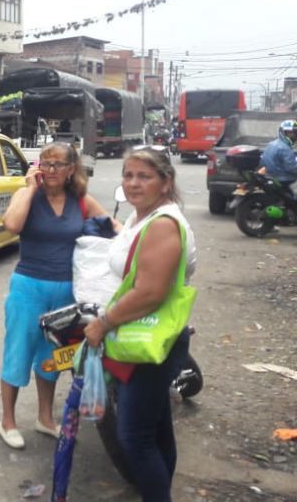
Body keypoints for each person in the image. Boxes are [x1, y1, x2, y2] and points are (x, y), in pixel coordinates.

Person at [83, 147, 196, 501]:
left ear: (166, 183)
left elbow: (150, 292)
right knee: (157, 426)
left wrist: (103, 323)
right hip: (142, 336)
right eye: (128, 175)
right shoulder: (141, 217)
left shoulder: (163, 225)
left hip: (147, 340)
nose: (133, 183)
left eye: (144, 176)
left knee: (135, 437)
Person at [0, 141, 112, 449]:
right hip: (28, 286)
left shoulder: (81, 200)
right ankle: (7, 421)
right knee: (18, 351)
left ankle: (45, 418)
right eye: (44, 163)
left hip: (66, 289)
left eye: (57, 164)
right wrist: (28, 188)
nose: (49, 169)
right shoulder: (29, 195)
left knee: (52, 357)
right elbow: (11, 224)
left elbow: (114, 228)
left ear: (71, 169)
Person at [259, 119, 297, 195]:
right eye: (290, 133)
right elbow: (292, 168)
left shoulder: (271, 144)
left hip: (271, 176)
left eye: (294, 133)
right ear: (283, 133)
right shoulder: (284, 148)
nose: (293, 136)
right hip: (283, 178)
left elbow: (262, 161)